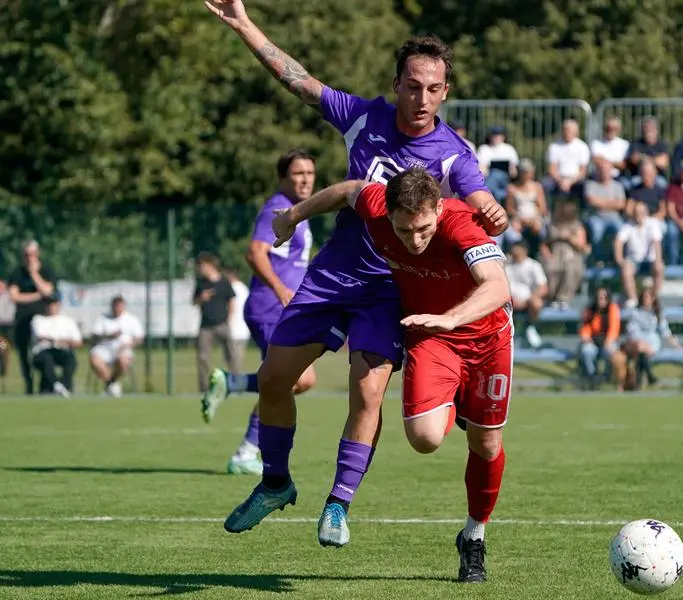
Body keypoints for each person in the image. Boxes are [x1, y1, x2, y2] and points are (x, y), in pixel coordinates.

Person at [206, 0, 507, 550]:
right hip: (331, 276)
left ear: (446, 91)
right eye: (413, 85)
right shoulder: (363, 118)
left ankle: (339, 504)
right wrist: (246, 26)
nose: (421, 98)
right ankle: (275, 483)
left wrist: (491, 208)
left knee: (366, 394)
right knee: (275, 380)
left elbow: (479, 193)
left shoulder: (454, 154)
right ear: (397, 83)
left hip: (389, 289)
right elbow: (299, 82)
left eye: (433, 88)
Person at [270, 168, 513, 584]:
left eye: (423, 229)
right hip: (431, 338)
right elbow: (348, 191)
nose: (415, 241)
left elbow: (498, 287)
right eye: (404, 232)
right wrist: (295, 214)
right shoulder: (376, 206)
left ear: (439, 207)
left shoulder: (462, 224)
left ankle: (473, 537)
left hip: (487, 340)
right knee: (424, 438)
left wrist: (450, 319)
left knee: (486, 444)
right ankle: (454, 399)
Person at [202, 150, 318, 477]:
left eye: (310, 172)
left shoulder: (299, 210)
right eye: (298, 173)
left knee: (299, 380)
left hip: (284, 310)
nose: (306, 178)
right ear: (283, 178)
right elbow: (255, 252)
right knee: (294, 379)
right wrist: (283, 291)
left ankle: (233, 383)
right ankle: (245, 452)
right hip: (271, 308)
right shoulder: (277, 207)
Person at [6, 241, 58, 395]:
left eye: (33, 254)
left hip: (43, 320)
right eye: (27, 255)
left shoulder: (46, 271)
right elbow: (14, 296)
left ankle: (45, 385)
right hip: (22, 319)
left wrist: (34, 274)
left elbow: (48, 291)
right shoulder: (17, 273)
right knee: (23, 354)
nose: (30, 258)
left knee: (44, 352)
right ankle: (29, 385)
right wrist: (37, 295)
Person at [618, 288, 681, 390]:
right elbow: (632, 331)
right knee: (640, 350)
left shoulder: (657, 314)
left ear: (653, 299)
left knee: (642, 355)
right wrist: (642, 344)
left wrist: (676, 345)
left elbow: (665, 331)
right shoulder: (635, 313)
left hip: (651, 343)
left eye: (648, 297)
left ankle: (639, 382)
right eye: (644, 297)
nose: (645, 300)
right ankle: (649, 378)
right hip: (637, 343)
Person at [193, 252, 237, 392]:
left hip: (222, 324)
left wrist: (229, 319)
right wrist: (202, 298)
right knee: (203, 357)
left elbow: (231, 301)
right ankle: (204, 388)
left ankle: (235, 384)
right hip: (206, 326)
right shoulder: (200, 283)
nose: (201, 269)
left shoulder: (223, 282)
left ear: (210, 265)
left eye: (202, 266)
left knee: (231, 354)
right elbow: (194, 302)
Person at [89, 296, 144, 397]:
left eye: (120, 306)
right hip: (104, 347)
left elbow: (139, 338)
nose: (117, 309)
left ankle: (111, 384)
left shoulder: (131, 319)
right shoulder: (103, 318)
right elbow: (94, 336)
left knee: (122, 360)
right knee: (94, 360)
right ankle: (111, 384)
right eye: (115, 306)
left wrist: (129, 344)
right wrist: (110, 335)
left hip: (123, 348)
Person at [540, 199, 588, 309]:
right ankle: (552, 297)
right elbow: (545, 244)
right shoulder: (552, 225)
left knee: (570, 269)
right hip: (554, 253)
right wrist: (546, 253)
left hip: (571, 253)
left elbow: (581, 244)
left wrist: (569, 237)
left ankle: (563, 299)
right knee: (550, 267)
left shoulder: (577, 226)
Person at [30, 296, 82, 397]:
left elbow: (77, 341)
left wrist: (58, 341)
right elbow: (40, 336)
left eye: (54, 305)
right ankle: (56, 385)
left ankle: (65, 386)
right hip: (42, 350)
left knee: (70, 360)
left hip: (62, 350)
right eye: (49, 305)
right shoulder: (38, 319)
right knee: (47, 360)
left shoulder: (67, 321)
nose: (52, 308)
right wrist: (61, 340)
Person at [505, 241, 548, 348]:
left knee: (537, 303)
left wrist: (528, 300)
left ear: (525, 251)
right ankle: (506, 334)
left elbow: (543, 287)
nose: (515, 251)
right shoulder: (506, 265)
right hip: (508, 301)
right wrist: (511, 300)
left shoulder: (534, 265)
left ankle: (531, 327)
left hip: (528, 301)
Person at [578, 288, 621, 389]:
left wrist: (608, 340)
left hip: (607, 341)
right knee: (586, 351)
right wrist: (585, 336)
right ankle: (592, 377)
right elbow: (585, 327)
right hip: (593, 341)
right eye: (599, 297)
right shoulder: (590, 310)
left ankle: (607, 376)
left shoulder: (613, 308)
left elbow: (614, 329)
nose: (601, 300)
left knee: (611, 351)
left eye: (604, 297)